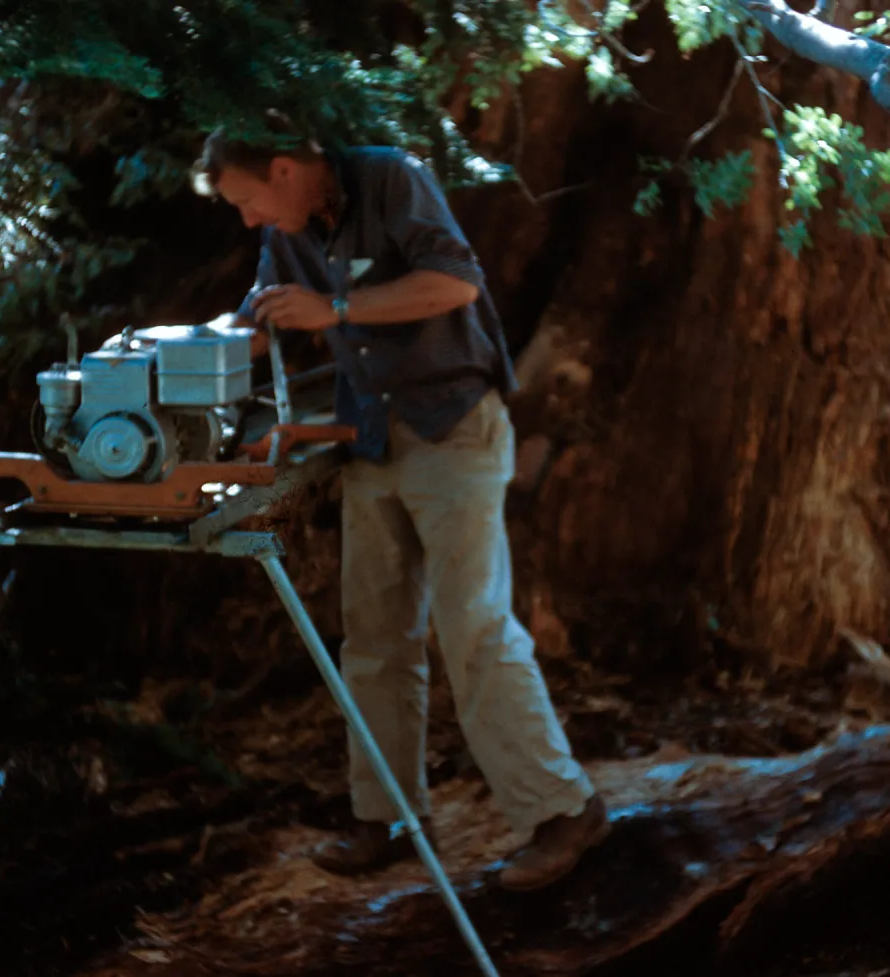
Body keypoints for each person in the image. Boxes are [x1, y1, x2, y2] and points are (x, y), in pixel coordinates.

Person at [192, 112, 609, 892]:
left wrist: (339, 311)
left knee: (475, 629)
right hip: (370, 437)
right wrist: (206, 341)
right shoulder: (287, 230)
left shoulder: (389, 178)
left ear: (285, 169)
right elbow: (267, 314)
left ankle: (562, 813)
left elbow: (455, 281)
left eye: (248, 200)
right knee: (375, 640)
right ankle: (387, 818)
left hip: (453, 429)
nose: (248, 219)